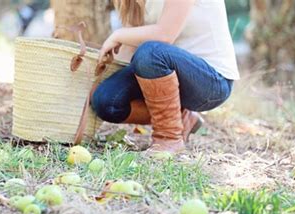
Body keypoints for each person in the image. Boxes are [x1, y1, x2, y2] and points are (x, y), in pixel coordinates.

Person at [92, 0, 239, 154]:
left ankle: (169, 139)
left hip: (211, 81)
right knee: (106, 101)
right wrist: (101, 76)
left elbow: (164, 34)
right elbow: (129, 46)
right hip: (164, 72)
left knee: (150, 53)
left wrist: (117, 35)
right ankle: (182, 117)